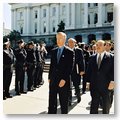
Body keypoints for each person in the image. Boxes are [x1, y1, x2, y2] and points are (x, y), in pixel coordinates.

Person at [48, 32, 74, 114]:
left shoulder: (69, 52)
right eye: (57, 38)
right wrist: (49, 77)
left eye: (60, 38)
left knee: (63, 101)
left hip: (63, 81)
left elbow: (70, 67)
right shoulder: (53, 51)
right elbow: (52, 65)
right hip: (53, 80)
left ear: (64, 39)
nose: (58, 40)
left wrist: (64, 79)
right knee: (52, 100)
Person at [86, 40, 114, 114]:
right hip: (94, 86)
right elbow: (89, 71)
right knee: (94, 106)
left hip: (106, 86)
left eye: (100, 45)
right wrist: (88, 82)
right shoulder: (92, 57)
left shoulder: (111, 57)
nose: (98, 46)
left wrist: (113, 81)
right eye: (97, 45)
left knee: (105, 106)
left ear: (105, 46)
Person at [68, 38, 85, 104]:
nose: (71, 43)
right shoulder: (66, 50)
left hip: (76, 71)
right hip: (68, 72)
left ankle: (78, 97)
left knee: (76, 85)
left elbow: (82, 61)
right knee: (68, 87)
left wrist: (82, 70)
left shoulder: (79, 50)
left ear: (75, 43)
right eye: (69, 42)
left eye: (72, 42)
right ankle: (69, 100)